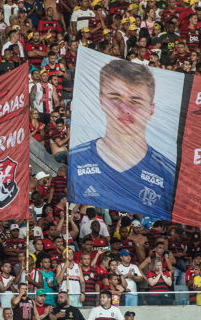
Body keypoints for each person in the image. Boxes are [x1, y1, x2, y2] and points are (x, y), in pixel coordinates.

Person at [68, 58, 176, 220]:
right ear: (101, 101)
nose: (124, 109)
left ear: (151, 110)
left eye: (135, 101)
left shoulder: (169, 174)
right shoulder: (76, 159)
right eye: (115, 98)